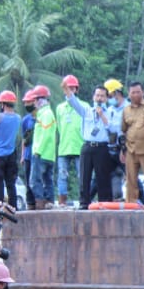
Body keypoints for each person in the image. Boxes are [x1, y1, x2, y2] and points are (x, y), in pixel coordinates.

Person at [63, 82, 121, 208]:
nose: (99, 98)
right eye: (97, 95)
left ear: (106, 98)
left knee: (102, 177)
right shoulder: (87, 110)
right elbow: (74, 103)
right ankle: (84, 203)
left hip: (102, 147)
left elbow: (113, 129)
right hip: (88, 146)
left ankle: (104, 203)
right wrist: (67, 91)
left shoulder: (110, 112)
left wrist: (102, 115)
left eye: (102, 96)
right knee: (84, 176)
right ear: (93, 97)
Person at [55, 75, 84, 207]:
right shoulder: (60, 108)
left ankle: (84, 199)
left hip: (80, 146)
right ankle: (62, 201)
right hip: (64, 147)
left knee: (82, 175)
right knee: (62, 175)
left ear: (76, 90)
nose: (70, 91)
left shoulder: (84, 106)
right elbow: (60, 127)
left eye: (72, 88)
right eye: (68, 88)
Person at [29, 85, 57, 209]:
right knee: (47, 181)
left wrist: (38, 151)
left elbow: (45, 135)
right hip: (49, 154)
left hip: (41, 153)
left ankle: (40, 205)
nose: (34, 103)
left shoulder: (45, 114)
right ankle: (48, 203)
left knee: (35, 181)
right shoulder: (46, 113)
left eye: (35, 100)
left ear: (40, 99)